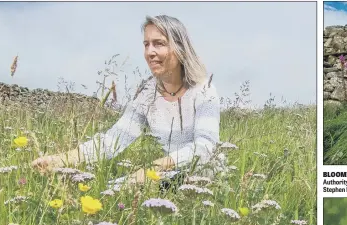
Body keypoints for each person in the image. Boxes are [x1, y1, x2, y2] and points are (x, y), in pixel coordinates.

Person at [31, 15, 223, 185]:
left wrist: (154, 168)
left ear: (180, 48)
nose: (150, 52)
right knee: (113, 189)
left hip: (204, 176)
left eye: (159, 43)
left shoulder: (204, 90)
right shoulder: (147, 94)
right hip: (167, 175)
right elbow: (114, 140)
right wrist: (62, 159)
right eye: (146, 44)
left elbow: (205, 147)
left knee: (133, 186)